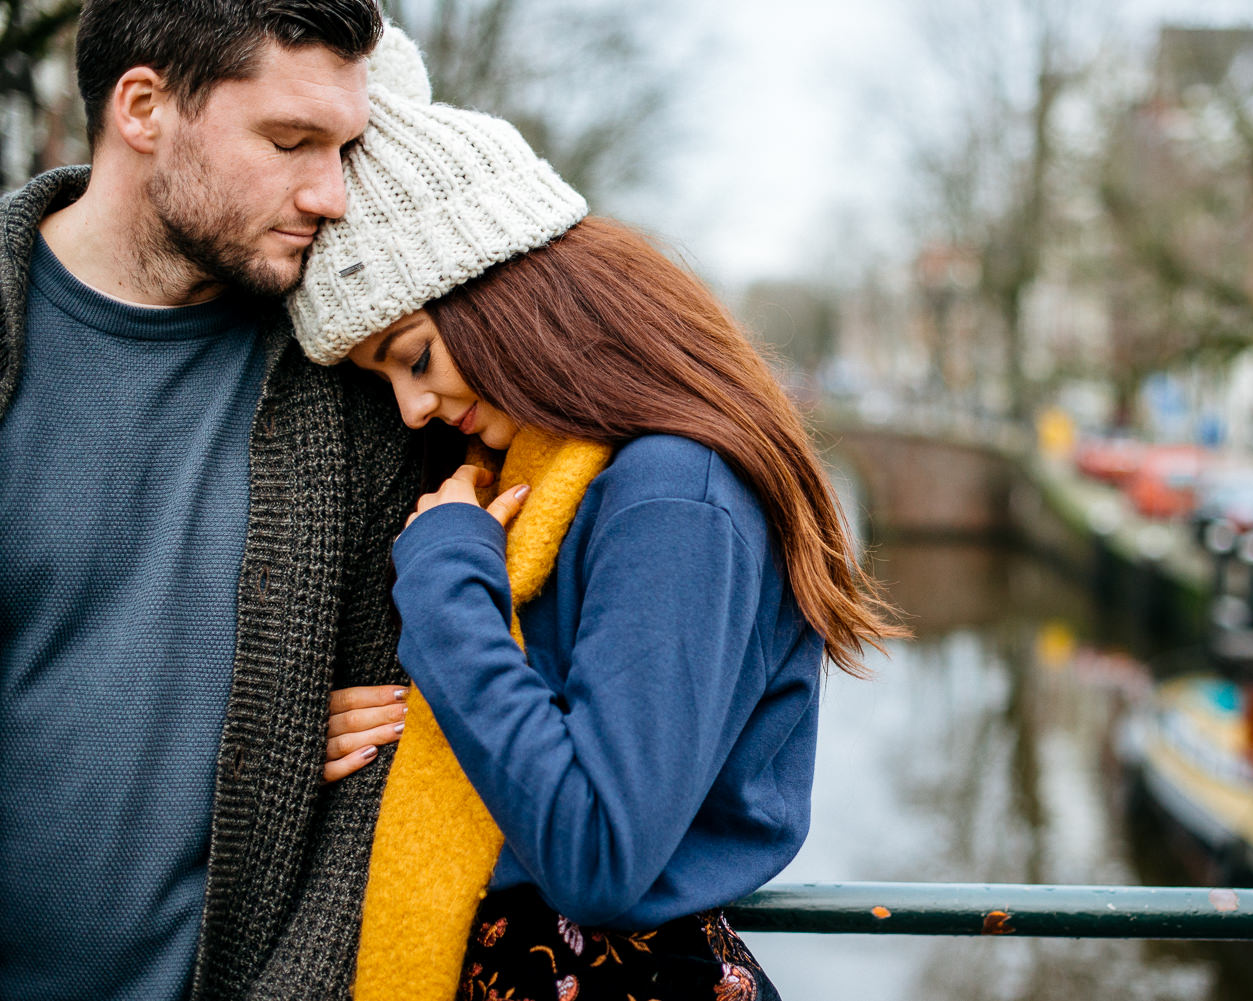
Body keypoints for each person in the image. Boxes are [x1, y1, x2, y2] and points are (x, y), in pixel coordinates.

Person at [290, 27, 904, 1001]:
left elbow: (600, 852)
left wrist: (449, 585)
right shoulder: (561, 478)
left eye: (411, 356)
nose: (411, 408)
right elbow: (548, 726)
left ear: (504, 297)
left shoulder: (672, 493)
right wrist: (386, 733)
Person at [0, 2, 419, 998]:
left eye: (343, 149)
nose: (333, 194)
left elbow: (384, 776)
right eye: (290, 141)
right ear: (144, 107)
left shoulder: (353, 385)